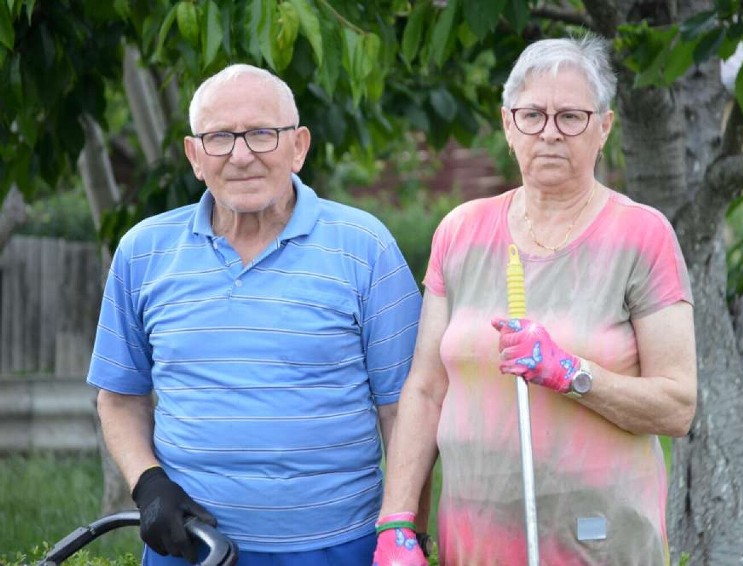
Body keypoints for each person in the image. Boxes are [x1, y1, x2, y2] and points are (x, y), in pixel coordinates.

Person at [373, 33, 697, 565]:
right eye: (532, 116)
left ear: (604, 129)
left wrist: (572, 373)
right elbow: (428, 390)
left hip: (600, 543)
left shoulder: (642, 235)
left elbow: (677, 405)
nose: (550, 133)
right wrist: (397, 522)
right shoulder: (461, 231)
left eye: (571, 117)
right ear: (507, 125)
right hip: (475, 541)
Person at [86, 63, 424, 565]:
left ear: (299, 146)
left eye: (263, 134)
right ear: (194, 156)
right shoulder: (143, 252)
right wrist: (148, 485)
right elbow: (119, 400)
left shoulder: (365, 248)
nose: (241, 156)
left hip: (338, 548)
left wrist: (403, 531)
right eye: (220, 137)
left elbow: (406, 409)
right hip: (188, 549)